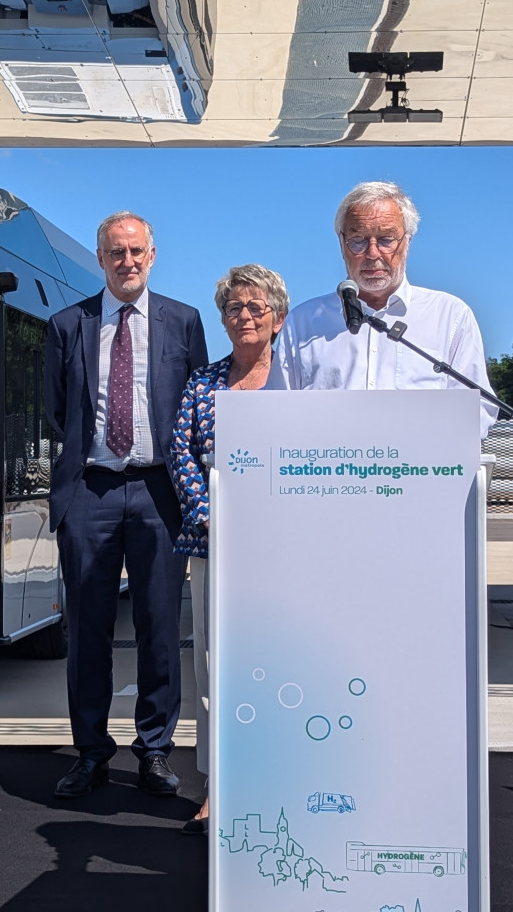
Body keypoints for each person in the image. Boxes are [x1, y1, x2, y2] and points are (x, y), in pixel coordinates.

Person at [43, 211, 209, 799]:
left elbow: (193, 406)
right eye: (117, 252)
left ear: (153, 254)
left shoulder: (184, 322)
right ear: (101, 258)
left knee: (159, 627)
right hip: (90, 492)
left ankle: (155, 750)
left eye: (137, 250)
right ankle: (90, 751)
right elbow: (56, 410)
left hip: (160, 493)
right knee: (86, 630)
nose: (128, 261)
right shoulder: (67, 324)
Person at [169, 264, 289, 834]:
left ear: (278, 317)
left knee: (282, 664)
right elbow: (181, 456)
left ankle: (286, 782)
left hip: (288, 552)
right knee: (217, 669)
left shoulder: (300, 383)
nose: (244, 316)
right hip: (214, 547)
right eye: (234, 308)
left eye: (256, 307)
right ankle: (222, 786)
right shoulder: (202, 383)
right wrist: (210, 516)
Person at [267, 180, 497, 438]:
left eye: (386, 240)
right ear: (342, 244)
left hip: (418, 473)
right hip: (328, 473)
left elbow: (477, 409)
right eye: (358, 240)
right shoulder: (304, 323)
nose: (372, 253)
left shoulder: (450, 316)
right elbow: (277, 414)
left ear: (407, 242)